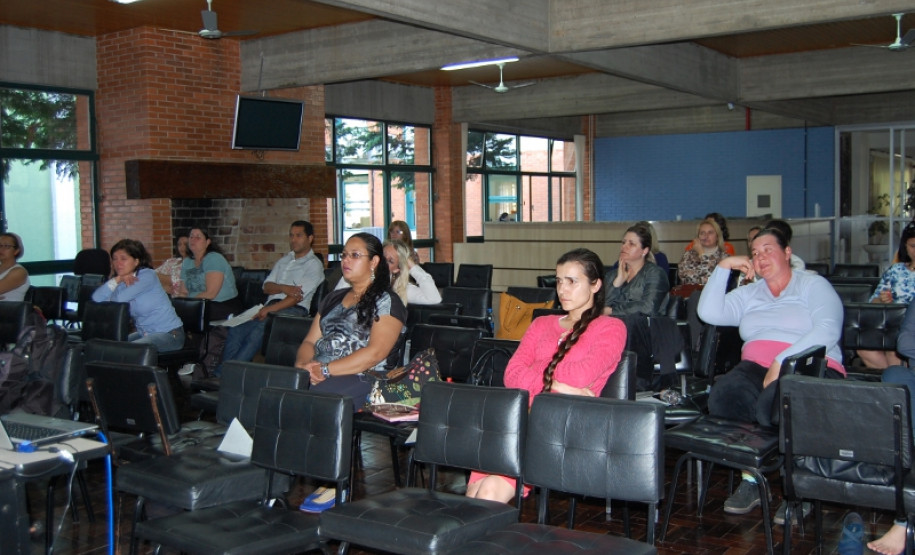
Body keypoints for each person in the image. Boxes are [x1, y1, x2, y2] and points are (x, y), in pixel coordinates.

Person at [698, 227, 845, 519]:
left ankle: (801, 485)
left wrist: (782, 361)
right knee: (726, 396)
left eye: (768, 249)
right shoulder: (750, 292)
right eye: (754, 252)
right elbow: (709, 313)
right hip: (756, 367)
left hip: (809, 364)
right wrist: (723, 267)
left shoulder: (812, 285)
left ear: (787, 252)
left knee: (777, 404)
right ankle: (752, 479)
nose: (760, 256)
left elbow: (828, 330)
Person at [466, 248, 627, 502]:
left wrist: (541, 376)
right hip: (518, 419)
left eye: (572, 281)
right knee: (475, 491)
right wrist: (560, 386)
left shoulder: (610, 328)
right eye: (560, 281)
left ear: (595, 285)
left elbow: (581, 375)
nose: (562, 289)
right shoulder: (541, 324)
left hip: (563, 426)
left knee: (487, 491)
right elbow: (511, 374)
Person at [295, 232, 406, 513]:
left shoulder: (387, 301)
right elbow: (309, 341)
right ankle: (275, 467)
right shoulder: (333, 298)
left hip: (369, 378)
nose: (346, 260)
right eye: (344, 254)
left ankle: (333, 482)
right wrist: (304, 366)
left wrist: (326, 370)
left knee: (319, 397)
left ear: (374, 262)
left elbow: (376, 353)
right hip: (322, 372)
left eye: (355, 255)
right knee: (281, 388)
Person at [215, 221, 324, 376]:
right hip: (270, 306)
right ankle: (223, 374)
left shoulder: (314, 264)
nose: (293, 239)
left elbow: (296, 298)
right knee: (236, 329)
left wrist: (269, 310)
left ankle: (228, 375)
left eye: (299, 235)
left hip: (294, 310)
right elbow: (266, 287)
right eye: (291, 235)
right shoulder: (284, 261)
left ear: (310, 238)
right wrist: (284, 288)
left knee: (259, 330)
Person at [92, 239, 185, 352]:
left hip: (170, 334)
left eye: (123, 258)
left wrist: (115, 287)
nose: (118, 263)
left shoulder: (147, 276)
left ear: (136, 261)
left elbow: (118, 301)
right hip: (145, 334)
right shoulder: (122, 281)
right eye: (115, 259)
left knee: (125, 351)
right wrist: (117, 279)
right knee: (107, 348)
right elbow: (96, 299)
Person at [857, 223, 915, 370]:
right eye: (912, 246)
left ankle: (897, 385)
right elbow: (873, 303)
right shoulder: (896, 270)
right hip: (891, 324)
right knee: (864, 347)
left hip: (909, 329)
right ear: (905, 247)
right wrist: (882, 300)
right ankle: (896, 383)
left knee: (893, 349)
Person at [175, 227, 241, 321]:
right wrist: (178, 304)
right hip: (197, 304)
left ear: (207, 242)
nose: (193, 240)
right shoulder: (187, 262)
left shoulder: (214, 259)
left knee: (186, 315)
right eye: (191, 237)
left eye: (198, 237)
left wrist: (188, 304)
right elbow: (183, 292)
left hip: (222, 304)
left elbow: (210, 294)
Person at [604, 223, 669, 317]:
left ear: (644, 251)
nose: (624, 247)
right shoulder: (612, 275)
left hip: (644, 328)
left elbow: (648, 308)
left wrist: (612, 310)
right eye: (623, 242)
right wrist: (616, 284)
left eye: (631, 244)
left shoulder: (655, 273)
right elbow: (600, 307)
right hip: (612, 327)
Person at [384, 239, 441, 305]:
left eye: (390, 261)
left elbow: (434, 299)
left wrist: (412, 266)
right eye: (382, 257)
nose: (383, 262)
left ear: (396, 269)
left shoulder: (399, 288)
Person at [678, 218, 728, 286]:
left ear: (717, 237)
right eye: (702, 233)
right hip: (691, 294)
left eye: (710, 233)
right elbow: (686, 280)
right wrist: (705, 279)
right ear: (698, 237)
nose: (706, 236)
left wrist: (702, 254)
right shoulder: (688, 255)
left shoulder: (724, 257)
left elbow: (716, 281)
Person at [0, 232, 30, 302]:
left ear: (16, 251)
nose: (1, 249)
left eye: (7, 246)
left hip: (8, 311)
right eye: (0, 245)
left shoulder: (19, 272)